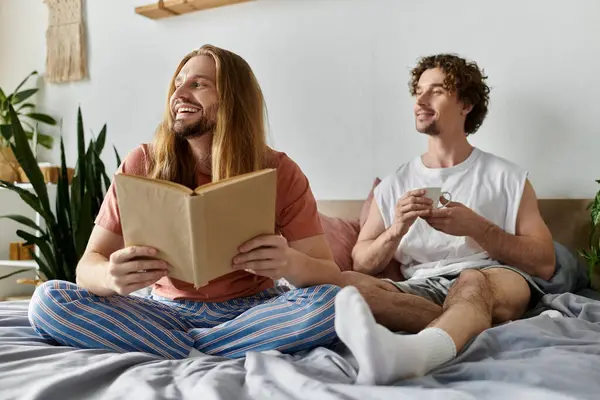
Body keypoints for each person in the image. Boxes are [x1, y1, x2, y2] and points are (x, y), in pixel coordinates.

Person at [28, 44, 342, 360]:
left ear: (233, 99)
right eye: (178, 84)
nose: (179, 94)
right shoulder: (142, 163)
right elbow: (87, 267)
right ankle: (220, 347)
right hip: (163, 312)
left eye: (198, 84)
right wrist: (111, 275)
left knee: (332, 303)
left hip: (252, 310)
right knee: (48, 301)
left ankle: (181, 348)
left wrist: (287, 262)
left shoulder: (280, 171)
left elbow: (328, 274)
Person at [333, 54, 556, 385]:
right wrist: (396, 230)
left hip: (491, 278)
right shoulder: (395, 184)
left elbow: (545, 263)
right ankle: (469, 325)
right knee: (345, 288)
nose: (420, 101)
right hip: (419, 286)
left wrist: (477, 228)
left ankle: (415, 354)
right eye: (418, 91)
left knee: (471, 281)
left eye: (435, 91)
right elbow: (361, 262)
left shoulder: (508, 178)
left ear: (465, 104)